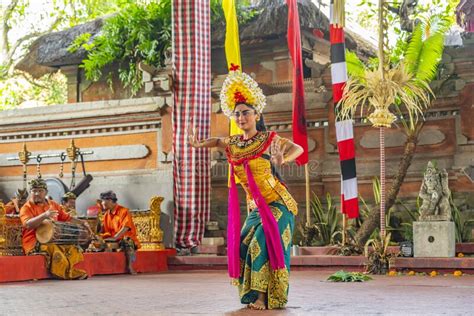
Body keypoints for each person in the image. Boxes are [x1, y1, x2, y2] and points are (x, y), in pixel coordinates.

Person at [188, 65, 303, 310]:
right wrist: (199, 144)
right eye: (237, 114)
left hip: (278, 203)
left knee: (260, 242)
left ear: (257, 115)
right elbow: (217, 141)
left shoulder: (269, 139)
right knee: (241, 245)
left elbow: (298, 149)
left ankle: (262, 296)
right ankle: (252, 294)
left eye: (246, 113)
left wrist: (282, 160)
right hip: (255, 207)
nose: (241, 118)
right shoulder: (233, 144)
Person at [19, 178, 89, 280]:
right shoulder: (26, 207)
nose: (37, 193)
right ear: (30, 192)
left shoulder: (52, 204)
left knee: (73, 248)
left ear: (46, 192)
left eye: (40, 191)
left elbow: (67, 218)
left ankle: (69, 270)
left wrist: (82, 223)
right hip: (34, 242)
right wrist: (44, 215)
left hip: (54, 239)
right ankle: (67, 274)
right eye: (34, 191)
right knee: (55, 250)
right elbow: (28, 224)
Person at [99, 190, 141, 274]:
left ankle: (130, 266)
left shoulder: (124, 211)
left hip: (125, 237)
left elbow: (126, 227)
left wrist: (115, 237)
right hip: (112, 238)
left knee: (127, 241)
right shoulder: (106, 214)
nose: (102, 203)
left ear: (110, 200)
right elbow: (104, 230)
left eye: (103, 201)